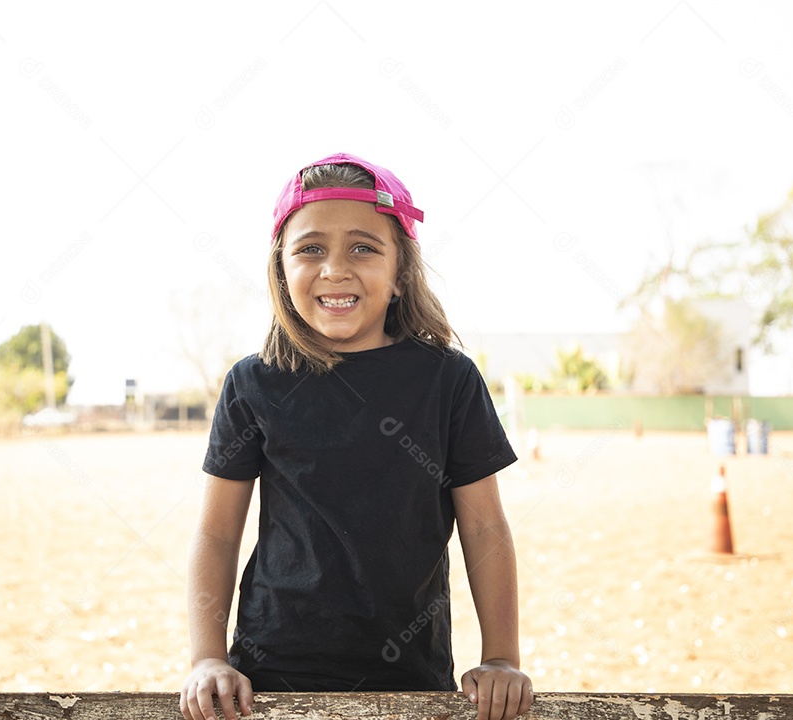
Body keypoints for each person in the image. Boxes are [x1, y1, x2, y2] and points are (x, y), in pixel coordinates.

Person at [180, 153, 532, 720]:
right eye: (310, 248)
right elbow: (218, 533)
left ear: (400, 274)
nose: (335, 269)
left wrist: (501, 657)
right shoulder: (253, 382)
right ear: (281, 271)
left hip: (413, 676)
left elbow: (485, 525)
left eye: (364, 247)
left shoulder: (448, 380)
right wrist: (206, 658)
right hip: (269, 676)